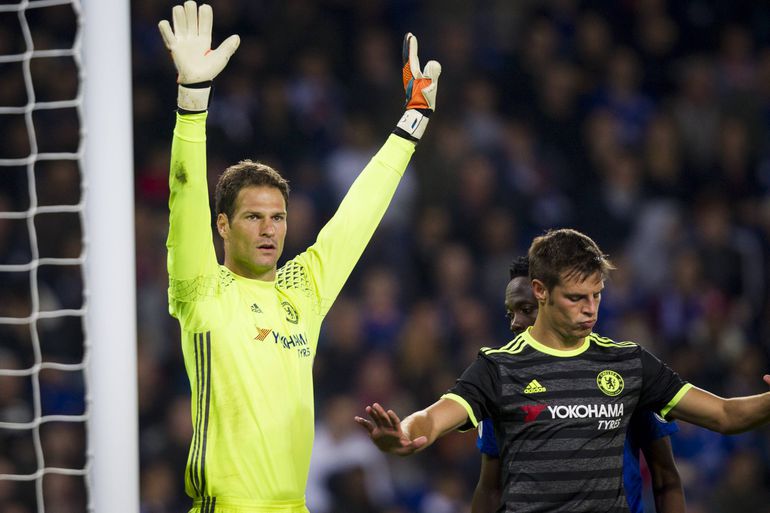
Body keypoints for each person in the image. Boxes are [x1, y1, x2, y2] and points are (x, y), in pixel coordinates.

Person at [158, 2, 441, 512]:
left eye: (278, 217)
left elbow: (356, 217)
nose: (269, 229)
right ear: (222, 226)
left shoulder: (301, 293)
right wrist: (192, 101)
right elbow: (184, 198)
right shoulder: (203, 290)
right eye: (253, 217)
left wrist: (412, 123)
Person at [355, 228, 770, 513]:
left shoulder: (629, 363)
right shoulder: (498, 368)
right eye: (576, 298)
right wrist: (403, 434)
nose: (591, 310)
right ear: (541, 291)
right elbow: (435, 417)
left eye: (597, 295)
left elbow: (725, 414)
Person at [471, 256, 684, 513]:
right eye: (510, 313)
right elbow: (490, 488)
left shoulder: (625, 371)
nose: (514, 323)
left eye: (527, 310)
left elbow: (666, 479)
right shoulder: (502, 380)